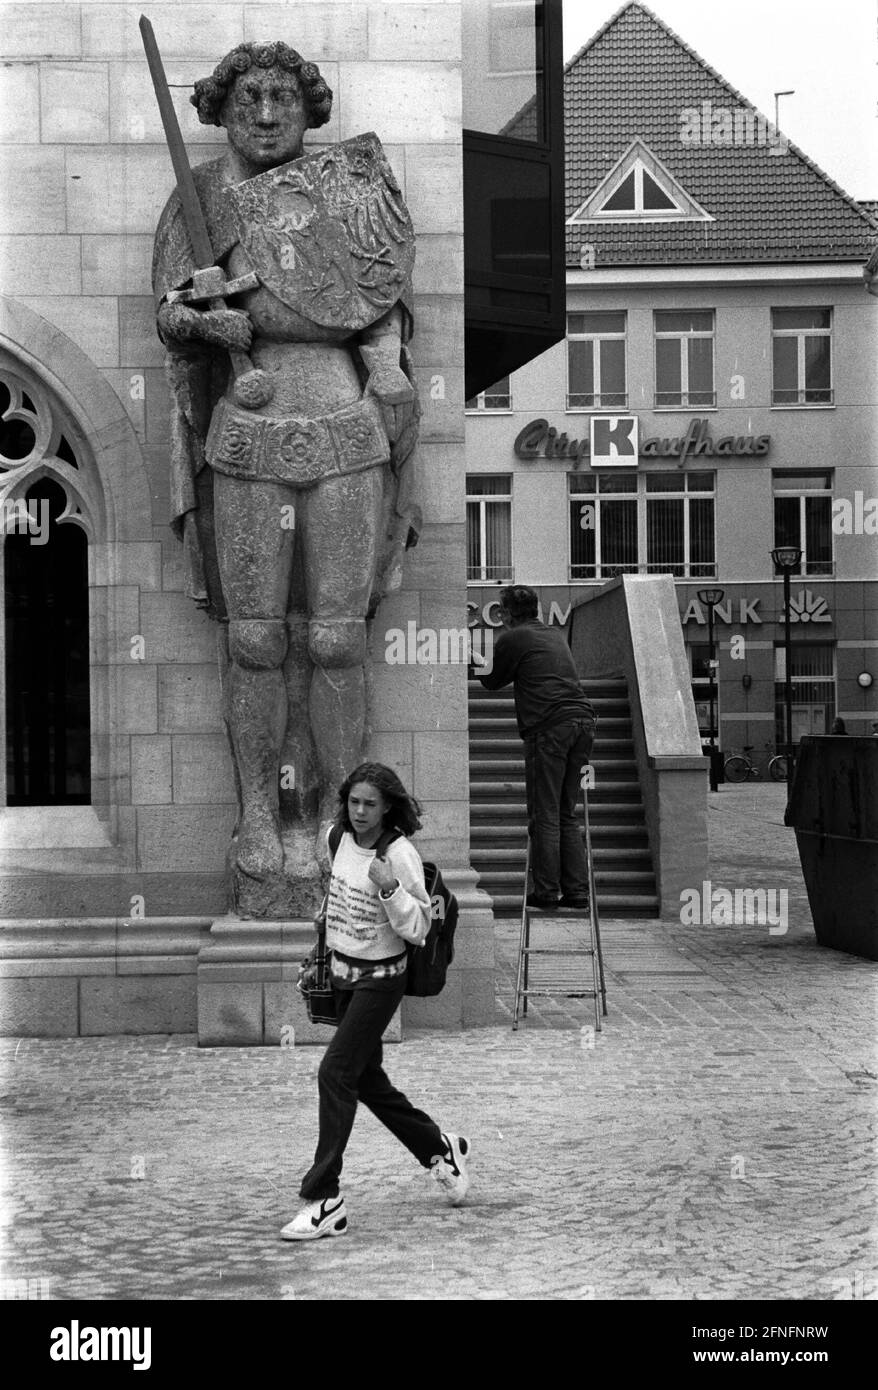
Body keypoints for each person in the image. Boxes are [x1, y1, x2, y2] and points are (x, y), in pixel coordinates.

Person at [151, 42, 420, 915]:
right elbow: (170, 310)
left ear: (309, 111)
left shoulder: (348, 191)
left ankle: (349, 828)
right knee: (257, 638)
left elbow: (376, 302)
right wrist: (205, 326)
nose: (266, 116)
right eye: (249, 101)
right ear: (224, 113)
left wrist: (385, 364)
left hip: (344, 422)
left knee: (338, 636)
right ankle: (261, 820)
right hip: (248, 427)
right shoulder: (198, 203)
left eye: (282, 100)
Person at [281, 762, 470, 1240]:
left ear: (388, 807)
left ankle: (326, 1200)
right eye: (354, 801)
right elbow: (337, 896)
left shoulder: (400, 854)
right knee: (367, 1080)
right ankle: (439, 1148)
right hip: (343, 974)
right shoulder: (336, 839)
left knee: (335, 1072)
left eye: (370, 803)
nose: (360, 811)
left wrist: (389, 888)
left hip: (381, 981)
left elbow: (420, 928)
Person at [474, 586, 597, 910]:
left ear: (505, 613)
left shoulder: (513, 638)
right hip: (582, 722)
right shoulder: (553, 634)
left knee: (544, 813)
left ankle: (546, 891)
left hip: (550, 728)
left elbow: (492, 681)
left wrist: (473, 659)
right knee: (565, 813)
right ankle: (577, 892)